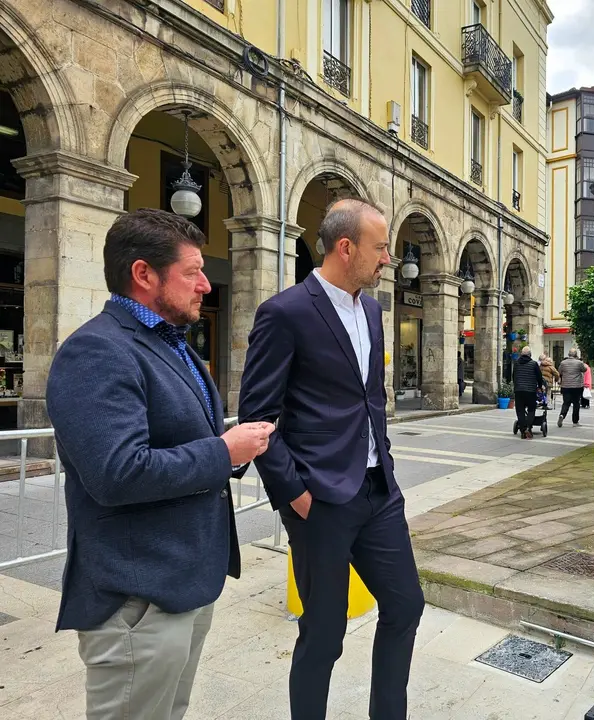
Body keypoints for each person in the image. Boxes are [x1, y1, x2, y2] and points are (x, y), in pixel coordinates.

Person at [45, 208, 274, 720]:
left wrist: (237, 447)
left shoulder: (170, 345)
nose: (205, 286)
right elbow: (116, 472)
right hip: (137, 598)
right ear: (144, 274)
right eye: (192, 272)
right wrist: (223, 451)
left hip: (184, 583)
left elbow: (182, 443)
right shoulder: (97, 350)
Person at [238, 199, 424, 720]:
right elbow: (256, 414)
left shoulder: (372, 309)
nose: (388, 257)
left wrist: (382, 460)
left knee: (406, 604)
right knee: (323, 634)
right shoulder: (285, 312)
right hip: (318, 499)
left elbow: (372, 399)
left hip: (377, 493)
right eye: (381, 247)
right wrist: (293, 493)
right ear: (346, 247)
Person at [513, 346, 545, 439]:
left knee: (520, 410)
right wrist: (539, 387)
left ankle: (523, 431)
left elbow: (513, 376)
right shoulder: (533, 364)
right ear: (530, 355)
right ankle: (528, 428)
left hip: (519, 391)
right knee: (531, 410)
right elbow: (539, 377)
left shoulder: (516, 363)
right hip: (530, 391)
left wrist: (516, 386)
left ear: (521, 354)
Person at [558, 348, 588, 427]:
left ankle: (562, 415)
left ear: (568, 354)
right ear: (575, 354)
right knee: (576, 403)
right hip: (577, 387)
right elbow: (584, 369)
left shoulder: (563, 363)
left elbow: (559, 371)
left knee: (566, 403)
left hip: (566, 386)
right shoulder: (579, 363)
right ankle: (575, 421)